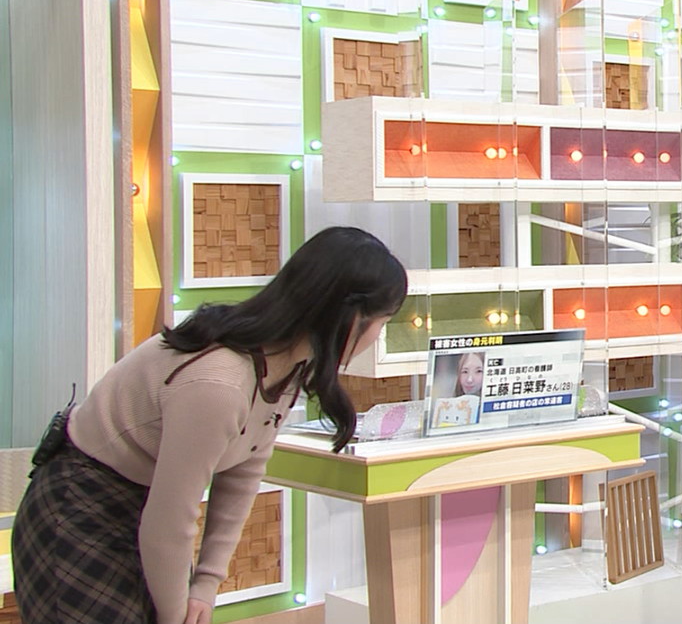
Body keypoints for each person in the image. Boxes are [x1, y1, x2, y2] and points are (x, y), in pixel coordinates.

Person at [13, 226, 408, 624]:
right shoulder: (219, 382)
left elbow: (244, 471)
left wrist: (206, 583)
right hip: (80, 506)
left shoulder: (287, 362)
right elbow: (168, 522)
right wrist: (175, 614)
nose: (378, 335)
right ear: (350, 317)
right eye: (382, 321)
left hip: (146, 511)